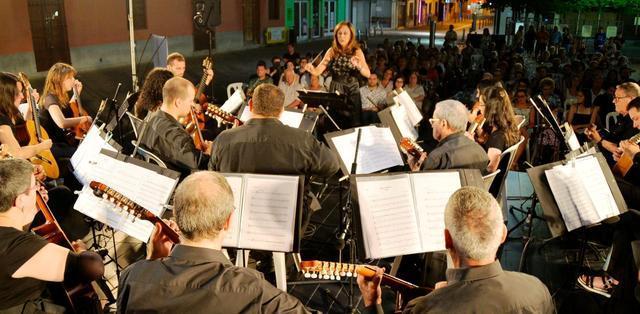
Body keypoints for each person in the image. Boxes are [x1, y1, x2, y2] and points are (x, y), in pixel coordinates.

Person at [117, 171, 309, 313]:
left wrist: (152, 262)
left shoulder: (132, 276)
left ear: (176, 215)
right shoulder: (254, 290)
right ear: (228, 221)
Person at [358, 186, 554, 313]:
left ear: (447, 239)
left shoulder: (424, 309)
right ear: (503, 234)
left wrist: (372, 302)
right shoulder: (536, 289)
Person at [209, 83, 339, 230]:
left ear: (250, 105)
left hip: (236, 218)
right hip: (286, 220)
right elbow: (332, 166)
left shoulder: (223, 139)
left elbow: (213, 176)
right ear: (281, 110)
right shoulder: (303, 139)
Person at [0, 158, 104, 312]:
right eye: (34, 186)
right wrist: (81, 251)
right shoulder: (15, 248)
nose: (38, 189)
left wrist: (31, 209)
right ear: (20, 200)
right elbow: (92, 267)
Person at [139, 77, 212, 178]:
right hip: (177, 185)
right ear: (178, 102)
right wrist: (208, 153)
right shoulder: (176, 135)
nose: (193, 105)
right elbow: (198, 165)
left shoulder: (149, 118)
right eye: (191, 100)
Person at [305, 21, 371, 126]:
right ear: (336, 35)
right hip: (336, 88)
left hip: (352, 90)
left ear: (351, 35)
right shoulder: (332, 51)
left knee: (353, 122)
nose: (342, 36)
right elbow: (318, 71)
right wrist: (311, 69)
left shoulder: (356, 51)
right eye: (339, 33)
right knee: (335, 122)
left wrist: (359, 66)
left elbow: (367, 74)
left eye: (345, 33)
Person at [407, 100, 488, 174]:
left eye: (433, 121)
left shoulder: (436, 158)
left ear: (443, 123)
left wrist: (415, 172)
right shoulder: (481, 152)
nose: (432, 126)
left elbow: (425, 188)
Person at [39, 63, 92, 159]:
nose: (73, 80)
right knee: (83, 155)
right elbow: (62, 123)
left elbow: (68, 109)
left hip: (62, 140)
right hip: (52, 145)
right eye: (70, 78)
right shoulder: (49, 98)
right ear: (59, 80)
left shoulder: (59, 97)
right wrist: (85, 118)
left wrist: (77, 93)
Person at [0, 72, 52, 159]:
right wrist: (41, 146)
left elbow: (25, 129)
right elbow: (17, 154)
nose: (22, 96)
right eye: (17, 93)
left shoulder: (10, 112)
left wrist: (30, 109)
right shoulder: (2, 122)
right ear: (6, 95)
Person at [587, 82, 640, 164]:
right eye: (614, 97)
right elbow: (615, 140)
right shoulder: (622, 117)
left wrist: (600, 140)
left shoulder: (634, 122)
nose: (613, 101)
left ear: (631, 99)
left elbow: (625, 151)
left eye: (617, 98)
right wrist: (598, 134)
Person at [481, 86, 520, 173]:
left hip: (490, 184)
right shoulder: (509, 126)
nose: (479, 108)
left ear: (491, 108)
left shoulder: (497, 137)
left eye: (481, 105)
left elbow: (489, 170)